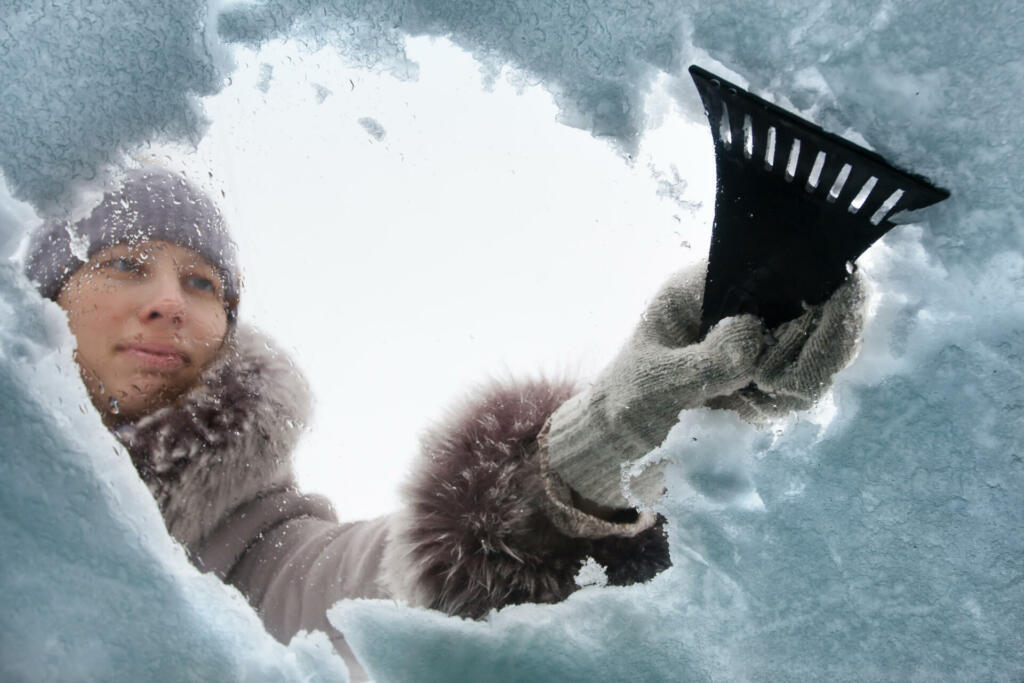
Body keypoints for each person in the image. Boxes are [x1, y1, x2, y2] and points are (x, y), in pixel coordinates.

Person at [24, 168, 863, 678]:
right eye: (126, 265)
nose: (170, 301)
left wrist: (601, 441)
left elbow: (378, 578)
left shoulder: (255, 562)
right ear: (39, 302)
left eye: (204, 283)